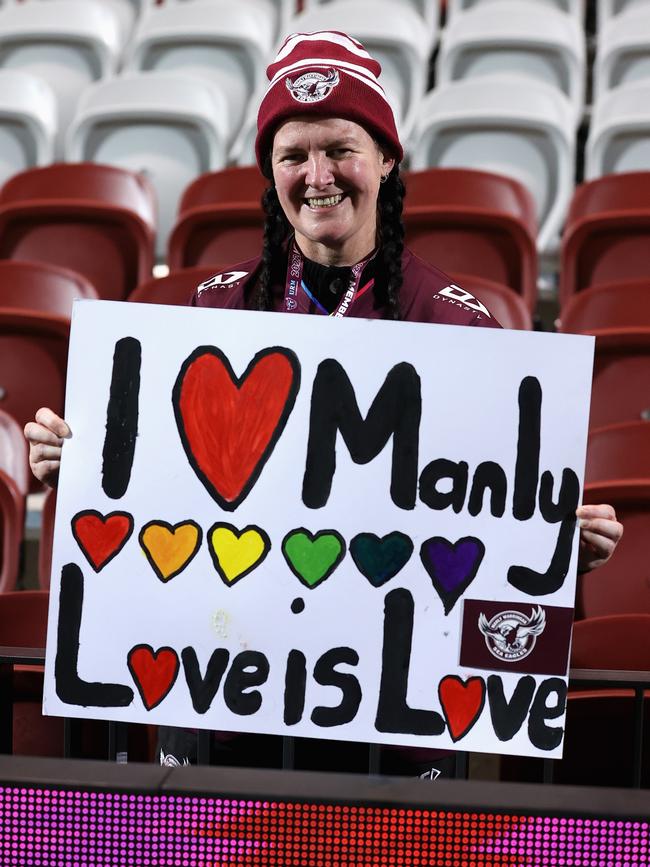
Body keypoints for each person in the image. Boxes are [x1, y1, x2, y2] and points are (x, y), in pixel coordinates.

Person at [25, 31, 623, 776]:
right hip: (224, 710)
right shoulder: (209, 314)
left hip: (390, 733)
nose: (318, 175)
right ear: (270, 171)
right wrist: (72, 462)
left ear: (387, 159)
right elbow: (150, 490)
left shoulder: (459, 325)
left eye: (340, 148)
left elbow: (490, 534)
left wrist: (557, 549)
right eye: (293, 154)